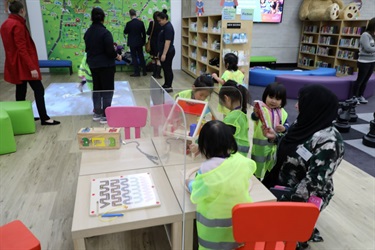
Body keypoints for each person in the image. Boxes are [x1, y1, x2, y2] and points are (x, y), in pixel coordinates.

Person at [262, 84, 345, 248]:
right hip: (282, 184)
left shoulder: (331, 141)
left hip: (301, 195)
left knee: (286, 239)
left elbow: (314, 182)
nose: (295, 105)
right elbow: (295, 147)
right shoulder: (304, 121)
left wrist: (281, 202)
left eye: (301, 101)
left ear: (314, 105)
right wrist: (276, 138)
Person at [187, 120, 256, 250]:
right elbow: (245, 171)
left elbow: (196, 194)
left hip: (213, 237)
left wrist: (189, 183)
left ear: (203, 146)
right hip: (239, 231)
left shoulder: (206, 170)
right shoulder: (242, 161)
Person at [0, 0, 60, 125]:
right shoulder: (18, 25)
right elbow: (22, 48)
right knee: (39, 89)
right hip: (24, 64)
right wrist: (32, 67)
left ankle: (23, 117)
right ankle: (44, 118)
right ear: (22, 10)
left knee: (20, 90)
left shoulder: (6, 24)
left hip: (14, 63)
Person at [84, 7, 121, 124]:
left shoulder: (88, 33)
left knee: (97, 88)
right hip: (106, 65)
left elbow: (87, 49)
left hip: (93, 65)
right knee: (107, 89)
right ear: (103, 18)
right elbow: (110, 51)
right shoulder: (106, 33)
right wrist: (117, 56)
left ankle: (97, 112)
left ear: (91, 18)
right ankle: (106, 114)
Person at [251, 82, 289, 179]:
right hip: (260, 147)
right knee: (257, 166)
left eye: (277, 99)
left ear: (282, 100)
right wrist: (256, 114)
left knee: (271, 166)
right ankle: (257, 179)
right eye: (271, 97)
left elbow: (287, 125)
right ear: (265, 96)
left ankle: (267, 181)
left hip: (274, 147)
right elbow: (254, 118)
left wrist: (284, 128)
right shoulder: (261, 109)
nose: (273, 101)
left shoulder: (283, 112)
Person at [347, 17, 375, 105]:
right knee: (360, 80)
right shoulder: (365, 35)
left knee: (366, 80)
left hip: (372, 61)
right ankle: (354, 97)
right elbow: (368, 48)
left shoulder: (373, 35)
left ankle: (360, 95)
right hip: (364, 61)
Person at [219, 80, 250, 156]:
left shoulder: (232, 117)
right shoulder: (242, 114)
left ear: (226, 98)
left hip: (234, 157)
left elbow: (222, 137)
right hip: (242, 157)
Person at [124, 9, 147, 77]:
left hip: (132, 43)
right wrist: (143, 41)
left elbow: (125, 32)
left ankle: (137, 72)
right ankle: (144, 71)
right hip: (139, 42)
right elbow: (144, 33)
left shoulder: (129, 23)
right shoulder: (141, 23)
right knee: (141, 56)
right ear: (135, 14)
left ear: (130, 15)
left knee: (134, 57)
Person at [156, 9, 175, 93]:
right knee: (165, 68)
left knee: (168, 69)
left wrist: (164, 54)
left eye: (160, 20)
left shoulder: (168, 27)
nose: (159, 22)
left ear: (164, 19)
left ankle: (169, 85)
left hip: (168, 52)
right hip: (163, 51)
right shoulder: (164, 27)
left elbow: (167, 42)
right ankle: (166, 84)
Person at [146, 11, 162, 79]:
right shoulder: (161, 23)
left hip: (152, 43)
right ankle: (158, 74)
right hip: (159, 43)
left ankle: (154, 73)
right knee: (158, 59)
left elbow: (148, 33)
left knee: (153, 59)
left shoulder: (152, 23)